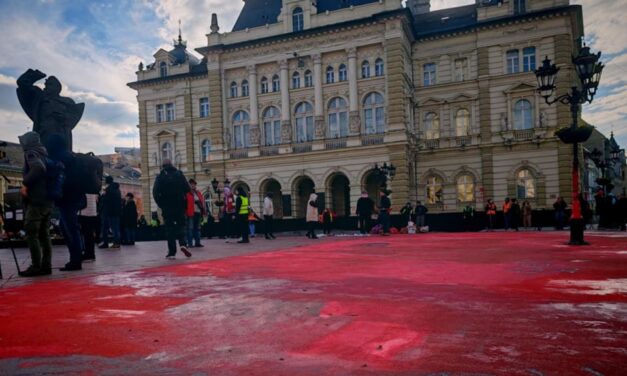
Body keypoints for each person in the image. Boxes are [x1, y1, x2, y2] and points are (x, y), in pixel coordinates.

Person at [16, 69, 84, 153]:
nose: (46, 87)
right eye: (46, 85)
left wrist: (64, 117)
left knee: (61, 160)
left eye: (50, 85)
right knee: (42, 159)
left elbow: (73, 117)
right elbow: (22, 84)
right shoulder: (40, 97)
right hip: (43, 134)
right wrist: (34, 75)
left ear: (57, 87)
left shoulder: (67, 102)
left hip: (61, 136)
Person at [17, 132, 53, 277]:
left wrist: (25, 184)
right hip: (47, 200)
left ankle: (36, 266)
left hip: (36, 200)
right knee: (44, 234)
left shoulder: (31, 153)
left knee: (31, 233)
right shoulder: (44, 153)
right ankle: (46, 265)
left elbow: (38, 168)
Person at [48, 134, 85, 271]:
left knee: (70, 228)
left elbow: (55, 176)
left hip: (66, 198)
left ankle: (75, 260)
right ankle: (76, 257)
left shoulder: (59, 158)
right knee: (67, 227)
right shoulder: (73, 157)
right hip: (75, 197)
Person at [152, 159, 192, 259]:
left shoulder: (160, 177)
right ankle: (183, 244)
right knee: (181, 225)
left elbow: (155, 193)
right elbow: (187, 188)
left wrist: (161, 204)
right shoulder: (179, 174)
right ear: (171, 165)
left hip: (167, 207)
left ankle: (172, 252)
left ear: (162, 166)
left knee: (169, 228)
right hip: (179, 205)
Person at [99, 176, 122, 249]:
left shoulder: (108, 189)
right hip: (116, 212)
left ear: (107, 181)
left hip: (108, 212)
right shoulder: (117, 189)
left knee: (106, 228)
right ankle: (117, 243)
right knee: (116, 228)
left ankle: (106, 243)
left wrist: (102, 195)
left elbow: (105, 200)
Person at [185, 179, 206, 247]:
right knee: (190, 228)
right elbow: (185, 204)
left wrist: (203, 211)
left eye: (194, 184)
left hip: (198, 212)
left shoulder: (198, 193)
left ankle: (197, 242)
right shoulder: (187, 193)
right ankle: (190, 243)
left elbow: (202, 202)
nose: (193, 185)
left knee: (197, 228)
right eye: (191, 184)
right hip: (190, 213)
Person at [79, 193, 99, 262]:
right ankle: (90, 254)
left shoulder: (85, 185)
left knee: (87, 235)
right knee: (89, 235)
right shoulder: (95, 184)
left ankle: (89, 255)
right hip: (92, 211)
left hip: (85, 211)